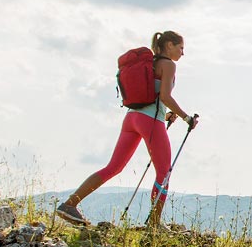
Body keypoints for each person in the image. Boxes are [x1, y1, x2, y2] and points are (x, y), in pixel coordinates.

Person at [57, 31, 198, 228]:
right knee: (164, 172)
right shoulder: (169, 65)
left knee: (113, 167)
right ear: (169, 46)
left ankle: (69, 204)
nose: (182, 53)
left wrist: (165, 114)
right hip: (149, 122)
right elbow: (165, 96)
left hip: (132, 118)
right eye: (181, 48)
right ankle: (155, 226)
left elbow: (153, 96)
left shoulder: (150, 64)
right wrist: (186, 117)